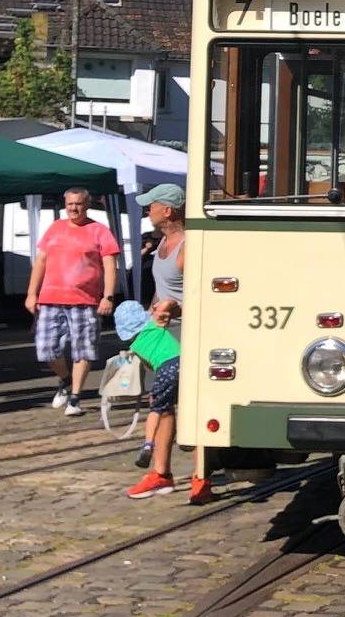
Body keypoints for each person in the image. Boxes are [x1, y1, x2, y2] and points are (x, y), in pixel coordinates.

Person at [25, 187, 119, 417]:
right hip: (50, 298)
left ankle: (75, 398)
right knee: (46, 349)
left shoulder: (99, 230)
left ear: (87, 205)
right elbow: (41, 262)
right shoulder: (55, 228)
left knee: (83, 350)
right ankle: (66, 380)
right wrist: (31, 293)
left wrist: (108, 296)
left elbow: (109, 265)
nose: (73, 208)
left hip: (85, 300)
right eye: (70, 204)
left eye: (78, 204)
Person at [118, 299, 209, 502]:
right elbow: (168, 302)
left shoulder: (136, 345)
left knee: (157, 408)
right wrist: (162, 308)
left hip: (169, 368)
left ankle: (148, 445)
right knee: (192, 414)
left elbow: (152, 367)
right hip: (187, 363)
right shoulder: (154, 324)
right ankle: (196, 478)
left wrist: (163, 310)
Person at [134, 183, 185, 470]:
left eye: (151, 205)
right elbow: (162, 289)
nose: (147, 209)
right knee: (160, 401)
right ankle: (160, 471)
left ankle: (199, 478)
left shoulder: (187, 246)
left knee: (187, 402)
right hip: (162, 334)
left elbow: (205, 297)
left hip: (182, 335)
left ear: (167, 210)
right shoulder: (161, 245)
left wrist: (175, 307)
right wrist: (152, 313)